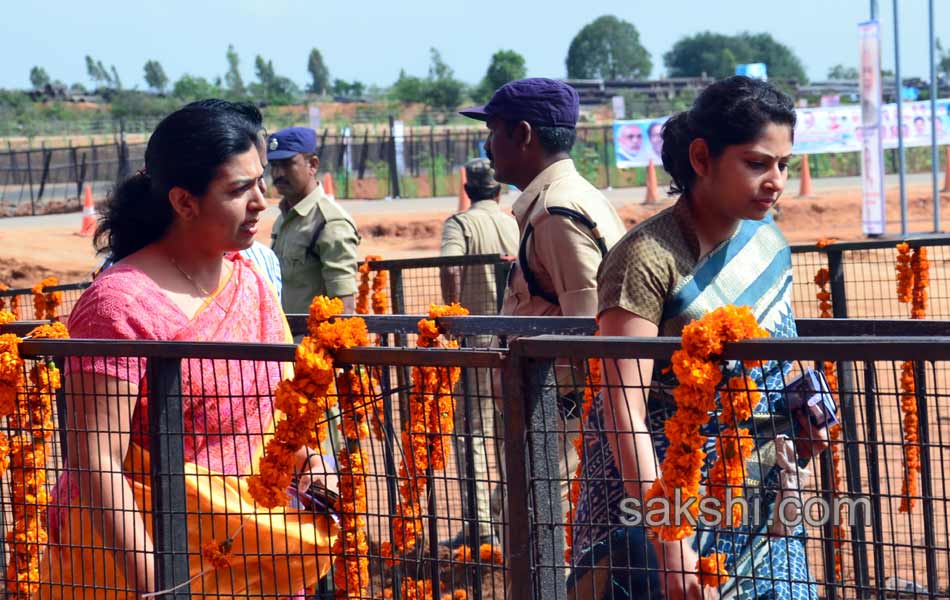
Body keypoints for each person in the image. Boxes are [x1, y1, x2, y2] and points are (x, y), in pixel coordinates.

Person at [41, 100, 335, 599]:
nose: (261, 201)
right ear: (184, 202)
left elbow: (264, 419)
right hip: (148, 560)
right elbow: (97, 461)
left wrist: (315, 468)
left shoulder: (250, 280)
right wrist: (160, 586)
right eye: (239, 189)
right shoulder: (119, 303)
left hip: (253, 550)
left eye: (261, 181)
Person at [569, 76, 828, 600]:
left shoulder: (770, 242)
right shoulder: (647, 258)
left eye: (783, 163)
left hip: (764, 505)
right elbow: (625, 414)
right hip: (660, 510)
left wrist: (804, 434)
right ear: (702, 157)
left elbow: (777, 370)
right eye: (757, 163)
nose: (776, 180)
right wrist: (670, 542)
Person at [460, 77, 626, 551]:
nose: (486, 147)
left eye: (492, 131)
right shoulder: (569, 198)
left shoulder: (555, 212)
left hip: (563, 415)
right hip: (558, 411)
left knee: (545, 543)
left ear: (524, 135)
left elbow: (588, 330)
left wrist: (574, 418)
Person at [438, 157, 518, 545]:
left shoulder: (461, 224)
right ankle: (508, 516)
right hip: (515, 338)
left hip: (475, 340)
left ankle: (481, 525)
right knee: (511, 430)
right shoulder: (513, 221)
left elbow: (451, 265)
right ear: (499, 189)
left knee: (473, 433)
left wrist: (451, 313)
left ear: (467, 189)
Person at [268, 126, 360, 315]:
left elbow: (344, 306)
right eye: (274, 165)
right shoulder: (285, 216)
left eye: (287, 164)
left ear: (313, 165)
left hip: (312, 341)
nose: (277, 174)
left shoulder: (329, 223)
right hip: (284, 340)